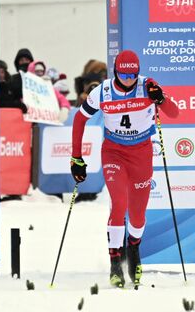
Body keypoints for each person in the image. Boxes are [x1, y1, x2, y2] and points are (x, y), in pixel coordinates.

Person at [69, 49, 177, 289]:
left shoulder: (147, 86)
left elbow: (174, 112)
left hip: (141, 154)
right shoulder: (104, 91)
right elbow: (79, 119)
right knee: (119, 203)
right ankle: (115, 262)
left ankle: (134, 249)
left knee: (138, 215)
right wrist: (76, 157)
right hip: (114, 153)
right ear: (115, 72)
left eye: (132, 75)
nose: (128, 80)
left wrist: (161, 99)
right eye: (123, 75)